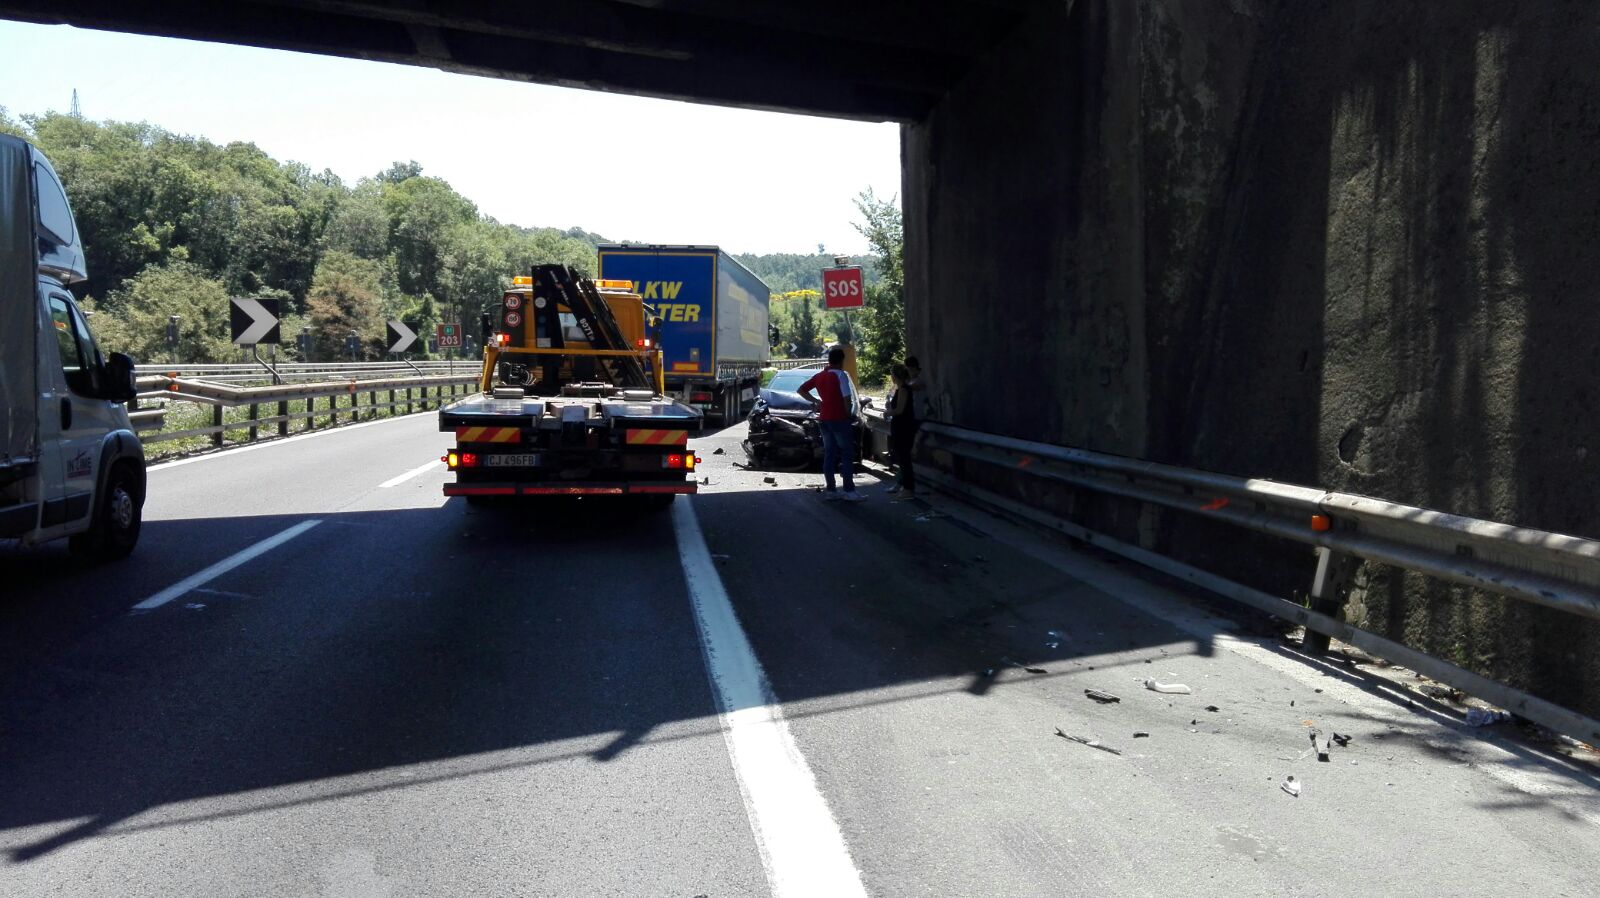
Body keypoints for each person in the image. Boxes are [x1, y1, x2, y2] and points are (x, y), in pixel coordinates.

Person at [797, 347, 865, 501]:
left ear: (829, 360)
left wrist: (817, 401)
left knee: (830, 454)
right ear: (842, 361)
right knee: (846, 453)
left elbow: (801, 390)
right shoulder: (841, 376)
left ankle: (831, 490)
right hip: (839, 419)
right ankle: (849, 491)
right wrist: (849, 414)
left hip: (824, 419)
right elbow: (847, 399)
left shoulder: (820, 376)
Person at [886, 363, 919, 498]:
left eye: (892, 375)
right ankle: (903, 485)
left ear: (896, 376)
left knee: (905, 458)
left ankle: (908, 488)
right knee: (902, 457)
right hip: (900, 427)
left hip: (904, 428)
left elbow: (900, 410)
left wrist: (887, 413)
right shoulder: (900, 389)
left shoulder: (904, 390)